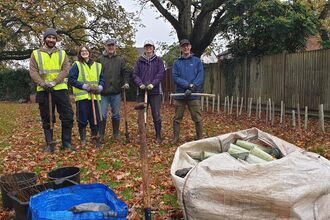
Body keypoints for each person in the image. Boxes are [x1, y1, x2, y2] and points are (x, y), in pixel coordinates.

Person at [29, 28, 75, 153]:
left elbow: (66, 69)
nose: (51, 40)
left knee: (67, 116)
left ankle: (66, 143)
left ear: (56, 40)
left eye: (53, 38)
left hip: (60, 89)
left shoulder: (62, 54)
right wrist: (43, 83)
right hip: (43, 90)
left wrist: (55, 82)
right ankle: (50, 144)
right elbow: (33, 71)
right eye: (49, 37)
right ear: (44, 39)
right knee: (47, 118)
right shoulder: (36, 54)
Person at [68, 46, 105, 148]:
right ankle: (83, 139)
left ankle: (95, 138)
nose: (84, 52)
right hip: (82, 97)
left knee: (96, 119)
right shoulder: (77, 65)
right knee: (82, 119)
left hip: (95, 96)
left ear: (89, 52)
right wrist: (84, 86)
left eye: (86, 51)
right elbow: (71, 79)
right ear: (79, 54)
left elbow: (102, 79)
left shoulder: (98, 66)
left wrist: (100, 87)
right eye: (82, 51)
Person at [172, 39, 204, 144]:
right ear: (181, 48)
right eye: (183, 46)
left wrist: (193, 87)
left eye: (187, 46)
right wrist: (187, 85)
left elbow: (200, 75)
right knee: (177, 118)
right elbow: (175, 77)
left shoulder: (197, 61)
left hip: (194, 94)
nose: (185, 48)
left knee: (197, 117)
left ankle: (199, 138)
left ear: (190, 47)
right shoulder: (177, 63)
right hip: (180, 95)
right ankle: (176, 138)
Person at [133, 40, 165, 143]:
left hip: (155, 92)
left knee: (156, 114)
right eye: (146, 47)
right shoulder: (139, 61)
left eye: (150, 46)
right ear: (144, 48)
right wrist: (140, 84)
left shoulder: (159, 60)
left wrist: (153, 83)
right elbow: (135, 74)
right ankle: (142, 135)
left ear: (153, 48)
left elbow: (161, 73)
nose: (148, 48)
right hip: (142, 92)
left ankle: (158, 136)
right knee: (142, 115)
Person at [97, 39, 130, 141]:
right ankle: (101, 135)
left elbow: (125, 72)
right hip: (103, 92)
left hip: (116, 92)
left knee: (116, 115)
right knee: (102, 114)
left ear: (115, 47)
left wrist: (126, 82)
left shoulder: (120, 59)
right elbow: (96, 74)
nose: (110, 47)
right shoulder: (100, 59)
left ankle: (116, 134)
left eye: (112, 45)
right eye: (108, 46)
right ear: (105, 47)